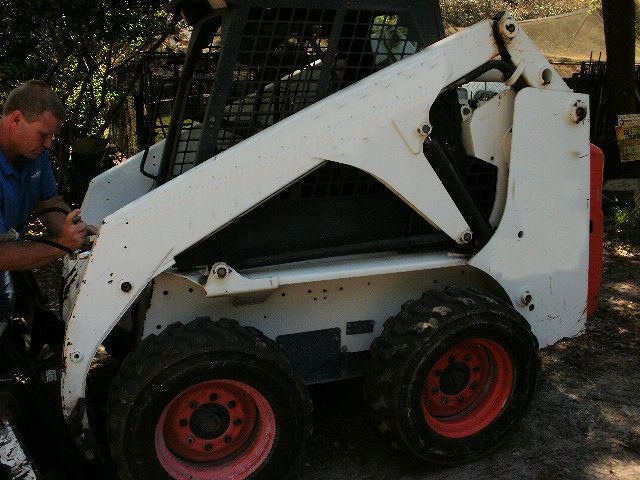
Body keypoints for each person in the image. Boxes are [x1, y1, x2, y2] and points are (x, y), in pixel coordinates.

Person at [0, 80, 96, 316]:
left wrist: (78, 232)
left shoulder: (32, 155)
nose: (49, 144)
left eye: (52, 136)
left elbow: (49, 202)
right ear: (16, 119)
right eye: (43, 134)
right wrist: (61, 245)